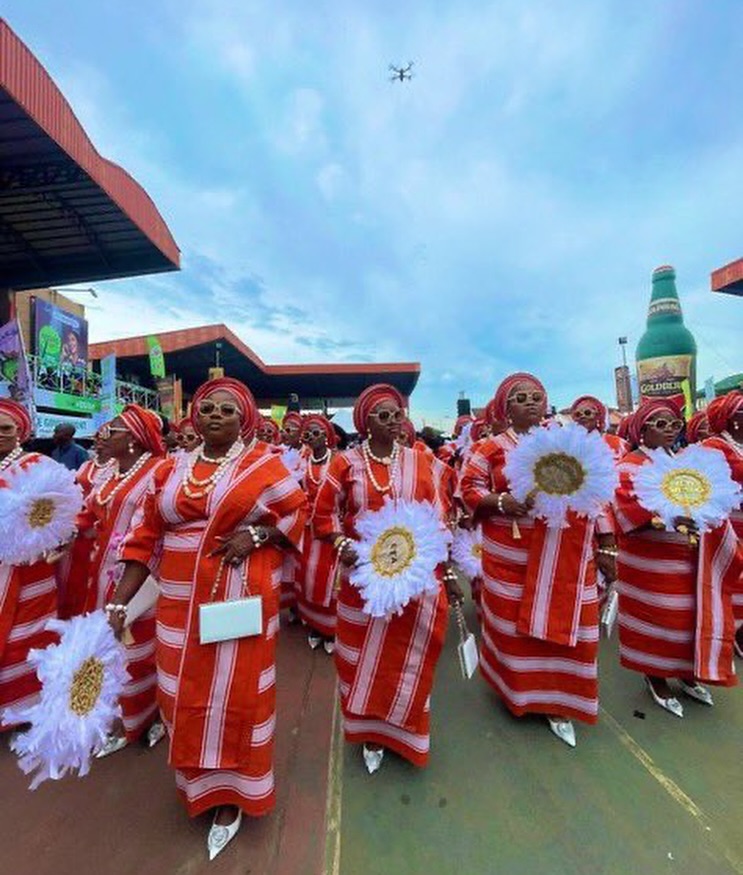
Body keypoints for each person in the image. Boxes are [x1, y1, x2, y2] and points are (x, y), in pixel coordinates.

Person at [113, 378, 307, 859]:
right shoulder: (168, 469)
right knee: (181, 693)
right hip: (177, 605)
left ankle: (235, 795)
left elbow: (296, 514)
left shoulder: (264, 464)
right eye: (206, 409)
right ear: (194, 418)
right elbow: (143, 538)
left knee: (237, 695)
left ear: (244, 419)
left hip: (238, 597)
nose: (215, 415)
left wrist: (256, 538)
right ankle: (198, 785)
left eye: (226, 409)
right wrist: (120, 600)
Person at [312, 384, 461, 774]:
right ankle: (370, 734)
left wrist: (446, 572)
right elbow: (323, 518)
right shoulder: (344, 464)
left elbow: (439, 519)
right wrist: (340, 542)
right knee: (361, 661)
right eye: (384, 415)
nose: (394, 422)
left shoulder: (422, 461)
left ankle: (408, 732)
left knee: (407, 657)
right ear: (365, 423)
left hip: (416, 583)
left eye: (398, 414)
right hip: (364, 582)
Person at [460, 374, 610, 748]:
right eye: (520, 398)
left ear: (546, 404)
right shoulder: (489, 448)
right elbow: (468, 488)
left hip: (567, 554)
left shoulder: (570, 441)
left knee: (576, 622)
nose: (530, 402)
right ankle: (520, 695)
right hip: (512, 558)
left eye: (536, 397)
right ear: (505, 408)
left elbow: (598, 495)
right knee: (515, 630)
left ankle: (562, 700)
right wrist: (500, 502)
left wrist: (607, 544)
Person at [612, 399, 740, 717]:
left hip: (690, 558)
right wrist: (666, 518)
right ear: (642, 431)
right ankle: (655, 677)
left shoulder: (686, 461)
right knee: (657, 621)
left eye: (674, 424)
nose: (670, 429)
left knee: (687, 620)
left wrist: (708, 516)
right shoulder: (628, 465)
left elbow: (711, 498)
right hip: (648, 565)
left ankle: (686, 673)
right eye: (661, 424)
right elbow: (623, 509)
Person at [82, 405, 168, 757]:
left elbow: (157, 526)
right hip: (102, 573)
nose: (103, 436)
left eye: (112, 430)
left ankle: (147, 717)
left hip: (143, 577)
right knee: (110, 647)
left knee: (141, 649)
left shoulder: (160, 471)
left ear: (132, 438)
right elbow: (89, 511)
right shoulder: (109, 474)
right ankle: (120, 714)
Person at [0, 400, 61, 728]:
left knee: (24, 641)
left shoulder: (39, 466)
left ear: (21, 433)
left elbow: (63, 518)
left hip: (30, 572)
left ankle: (25, 708)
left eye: (6, 429)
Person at [702, 391, 743, 657]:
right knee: (734, 580)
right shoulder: (713, 447)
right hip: (728, 526)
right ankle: (734, 633)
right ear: (733, 420)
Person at [298, 414, 339, 653]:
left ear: (327, 436)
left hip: (331, 528)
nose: (311, 438)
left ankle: (332, 629)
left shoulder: (338, 460)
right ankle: (315, 625)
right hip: (308, 528)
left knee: (330, 577)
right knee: (310, 576)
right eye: (308, 434)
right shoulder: (303, 460)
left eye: (316, 433)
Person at [570, 395, 628, 459]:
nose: (582, 417)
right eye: (578, 414)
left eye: (587, 413)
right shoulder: (569, 446)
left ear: (598, 416)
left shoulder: (618, 443)